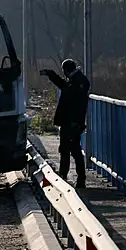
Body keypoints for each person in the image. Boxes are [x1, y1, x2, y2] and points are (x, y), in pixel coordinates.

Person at [40, 59, 91, 188]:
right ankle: (68, 176)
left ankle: (74, 178)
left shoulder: (79, 83)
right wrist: (51, 75)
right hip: (70, 122)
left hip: (72, 123)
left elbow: (78, 104)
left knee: (71, 150)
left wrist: (76, 122)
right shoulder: (76, 81)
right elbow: (64, 86)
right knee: (68, 150)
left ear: (66, 70)